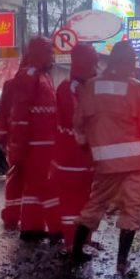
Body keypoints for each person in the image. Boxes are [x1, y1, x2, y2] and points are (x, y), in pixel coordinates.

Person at [71, 41, 140, 272]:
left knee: (95, 204)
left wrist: (86, 148)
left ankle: (77, 250)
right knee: (132, 210)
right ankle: (121, 262)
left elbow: (78, 125)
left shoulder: (91, 87)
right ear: (128, 62)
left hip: (105, 163)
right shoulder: (136, 88)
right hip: (136, 162)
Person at [47, 43, 98, 252]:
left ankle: (82, 240)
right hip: (70, 158)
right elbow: (77, 120)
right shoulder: (69, 89)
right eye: (92, 62)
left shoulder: (85, 86)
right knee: (70, 202)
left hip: (83, 159)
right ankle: (71, 243)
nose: (95, 67)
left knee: (84, 200)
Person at [8, 37, 58, 241]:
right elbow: (20, 115)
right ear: (37, 53)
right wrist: (18, 148)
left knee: (36, 187)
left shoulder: (42, 76)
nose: (52, 56)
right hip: (35, 145)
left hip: (44, 144)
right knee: (43, 186)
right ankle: (51, 227)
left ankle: (33, 226)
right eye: (48, 52)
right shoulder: (29, 76)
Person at [0, 77, 22, 229]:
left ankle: (14, 217)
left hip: (22, 142)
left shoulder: (44, 80)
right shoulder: (13, 85)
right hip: (17, 142)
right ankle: (12, 216)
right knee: (16, 177)